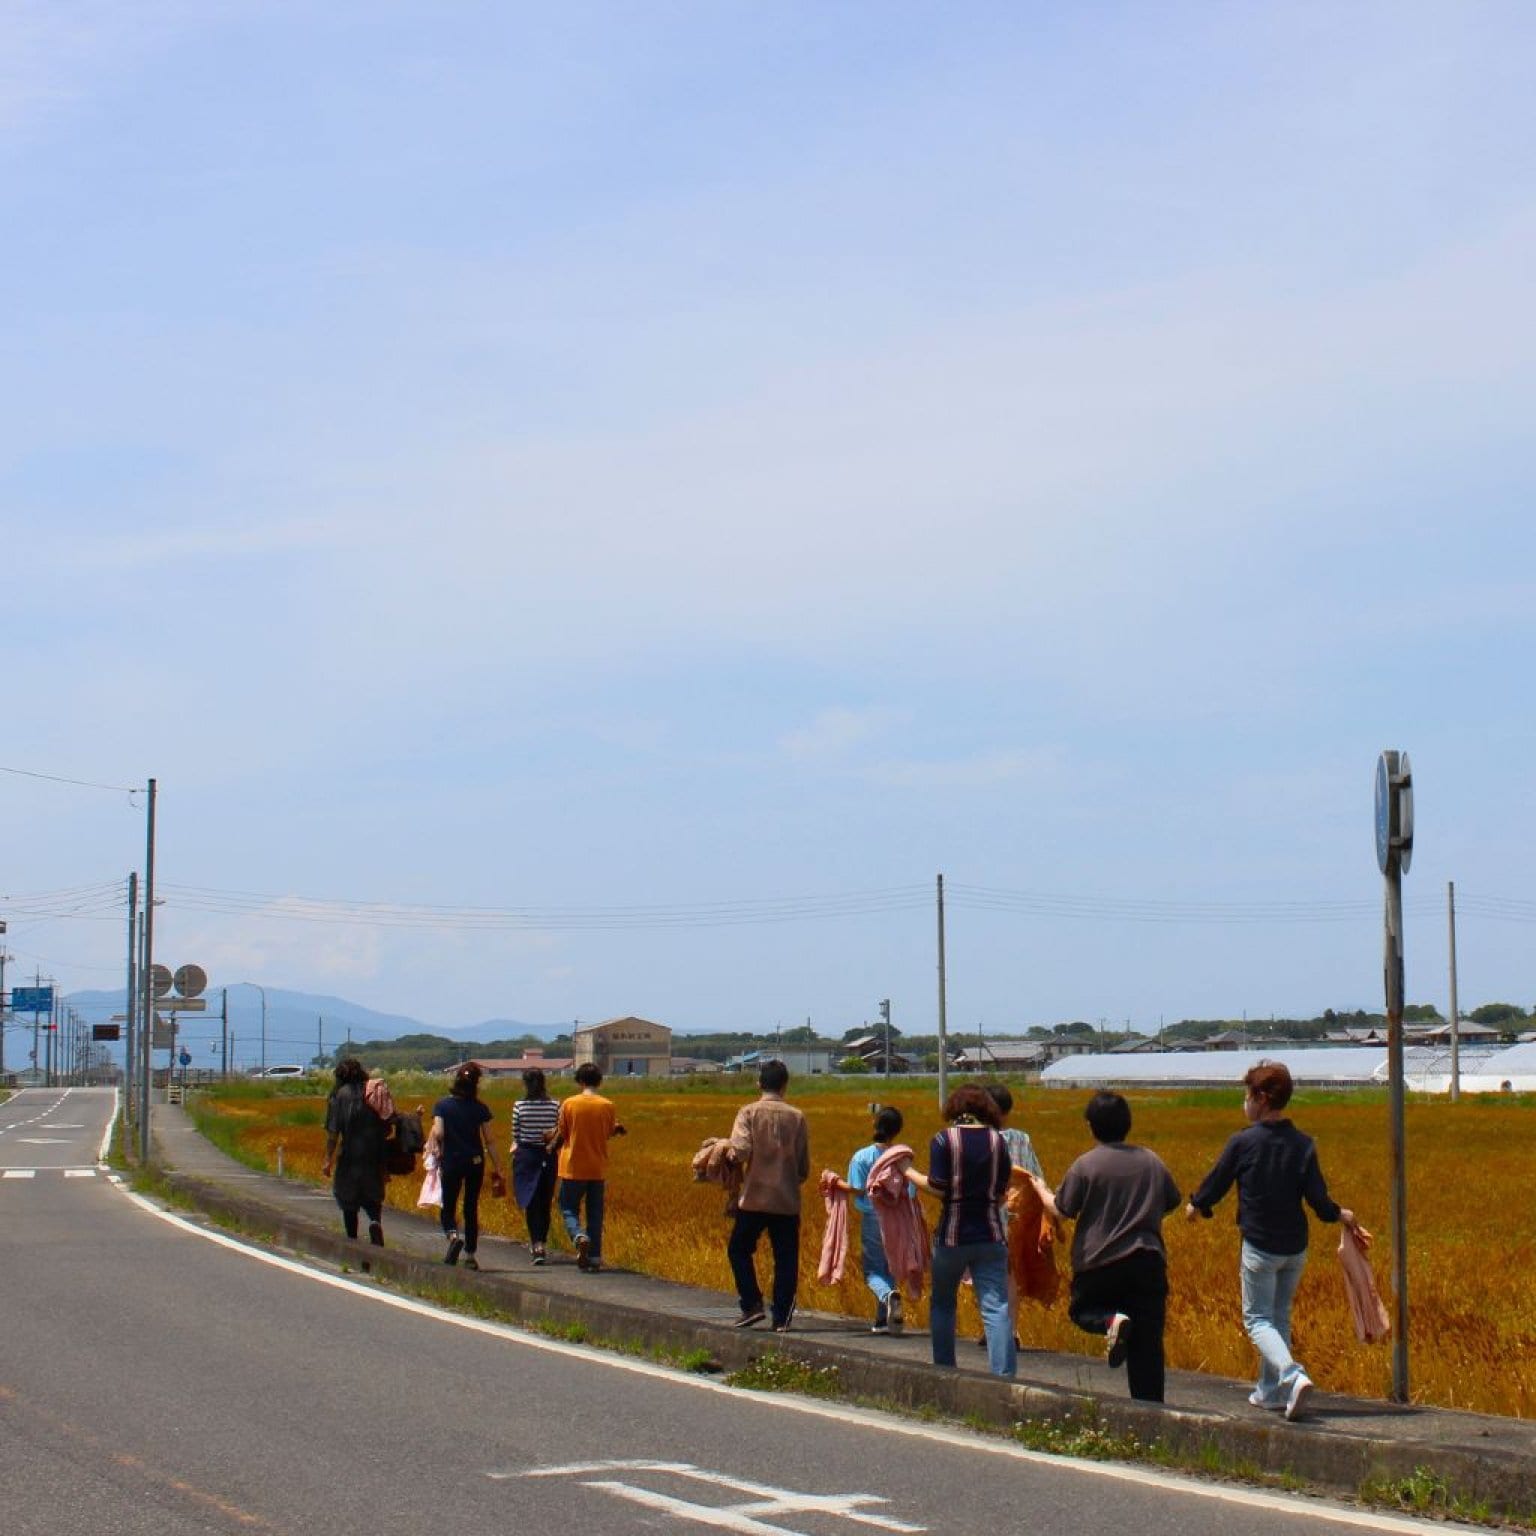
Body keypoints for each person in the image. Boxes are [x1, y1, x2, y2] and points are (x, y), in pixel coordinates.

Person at [1186, 1059, 1371, 1421]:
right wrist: (1340, 1214)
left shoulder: (1244, 1141)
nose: (1246, 1102)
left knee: (1256, 1319)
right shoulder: (1303, 1144)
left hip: (1260, 1246)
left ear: (1261, 1098)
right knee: (1278, 1316)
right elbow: (1317, 1199)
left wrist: (1196, 1205)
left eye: (1248, 1094)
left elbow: (1217, 1181)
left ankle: (1292, 1375)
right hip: (1295, 1248)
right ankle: (1269, 1392)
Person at [1040, 1091, 1181, 1403]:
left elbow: (1062, 1209)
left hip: (1099, 1262)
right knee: (1147, 1344)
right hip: (1148, 1260)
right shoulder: (1151, 1160)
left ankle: (1110, 1322)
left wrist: (1040, 1190)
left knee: (1082, 1311)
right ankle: (1150, 1416)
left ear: (1091, 1127)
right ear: (1127, 1123)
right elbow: (1171, 1201)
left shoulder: (1085, 1165)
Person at [904, 1083, 1015, 1377]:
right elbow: (1003, 1193)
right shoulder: (997, 1141)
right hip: (991, 1235)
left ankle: (945, 1371)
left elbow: (938, 1188)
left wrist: (907, 1171)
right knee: (996, 1308)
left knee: (943, 1303)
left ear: (954, 1109)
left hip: (952, 1236)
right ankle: (1003, 1377)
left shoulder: (944, 1140)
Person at [727, 1060, 810, 1331]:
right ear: (785, 1085)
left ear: (759, 1084)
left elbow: (738, 1151)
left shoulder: (748, 1112)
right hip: (786, 1200)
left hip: (754, 1197)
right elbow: (803, 1168)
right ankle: (781, 1317)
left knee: (739, 1249)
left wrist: (724, 1153)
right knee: (785, 1258)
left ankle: (751, 1303)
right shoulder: (797, 1117)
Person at [831, 1106, 912, 1334]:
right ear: (898, 1130)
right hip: (897, 1219)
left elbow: (857, 1189)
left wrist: (836, 1183)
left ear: (875, 1125)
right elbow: (910, 1190)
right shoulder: (901, 1158)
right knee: (890, 1266)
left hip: (873, 1217)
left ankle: (887, 1296)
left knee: (873, 1271)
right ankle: (883, 1320)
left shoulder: (862, 1156)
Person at [428, 1062, 504, 1271]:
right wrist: (498, 1166)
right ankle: (470, 1254)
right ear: (476, 1083)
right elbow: (489, 1140)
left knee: (449, 1204)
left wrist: (435, 1136)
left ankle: (453, 1235)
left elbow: (440, 1133)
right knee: (471, 1207)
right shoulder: (480, 1108)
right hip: (475, 1162)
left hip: (452, 1160)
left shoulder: (442, 1106)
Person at [554, 1063, 625, 1272]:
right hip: (597, 1167)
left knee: (567, 1207)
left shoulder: (569, 1104)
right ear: (599, 1081)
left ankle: (578, 1235)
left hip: (572, 1165)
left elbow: (563, 1132)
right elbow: (608, 1132)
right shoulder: (607, 1105)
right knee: (595, 1212)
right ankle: (594, 1257)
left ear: (580, 1081)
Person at [321, 1057, 387, 1247]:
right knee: (373, 1194)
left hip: (350, 1153)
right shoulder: (372, 1091)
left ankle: (352, 1240)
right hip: (376, 1153)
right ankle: (375, 1222)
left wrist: (327, 1159)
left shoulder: (339, 1096)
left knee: (347, 1197)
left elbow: (333, 1132)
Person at [511, 1067, 560, 1263]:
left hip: (526, 1156)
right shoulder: (556, 1105)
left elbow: (516, 1134)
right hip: (548, 1155)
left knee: (530, 1202)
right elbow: (559, 1131)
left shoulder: (519, 1106)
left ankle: (536, 1244)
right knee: (545, 1201)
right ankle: (542, 1242)